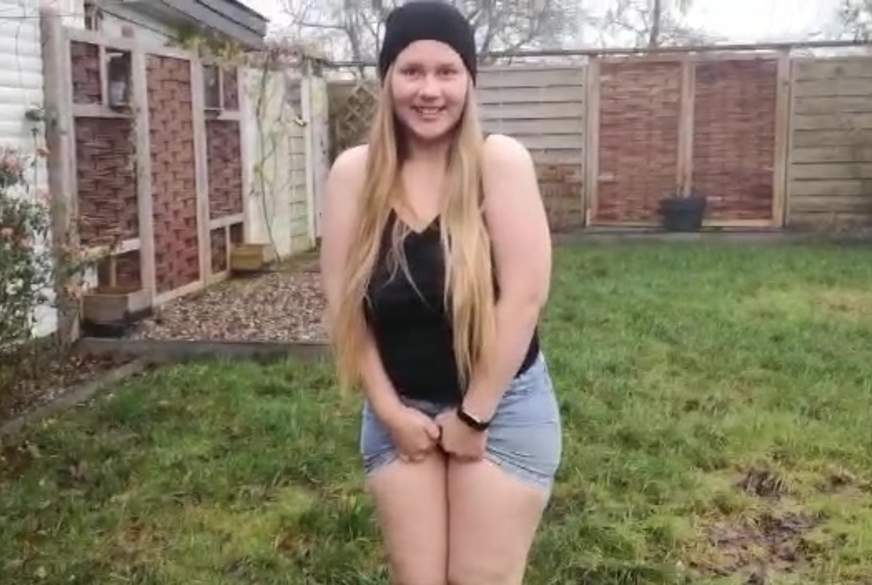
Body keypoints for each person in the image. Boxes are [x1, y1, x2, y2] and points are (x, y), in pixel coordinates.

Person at [319, 2, 562, 583]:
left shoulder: (499, 162)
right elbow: (344, 307)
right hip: (399, 409)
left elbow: (524, 299)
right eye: (412, 71)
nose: (429, 90)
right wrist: (389, 412)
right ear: (387, 80)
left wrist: (474, 416)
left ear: (469, 81)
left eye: (447, 72)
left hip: (502, 409)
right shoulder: (354, 174)